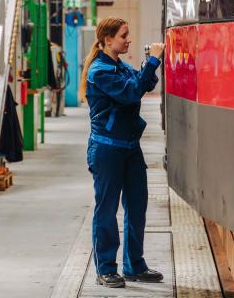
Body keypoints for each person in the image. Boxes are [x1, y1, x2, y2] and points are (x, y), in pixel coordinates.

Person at [79, 17, 166, 288]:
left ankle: (134, 265)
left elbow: (145, 85)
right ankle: (105, 268)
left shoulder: (121, 67)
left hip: (130, 148)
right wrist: (152, 62)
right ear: (107, 40)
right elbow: (130, 94)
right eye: (123, 36)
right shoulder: (99, 71)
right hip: (107, 149)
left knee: (137, 207)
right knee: (106, 210)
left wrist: (149, 65)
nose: (128, 40)